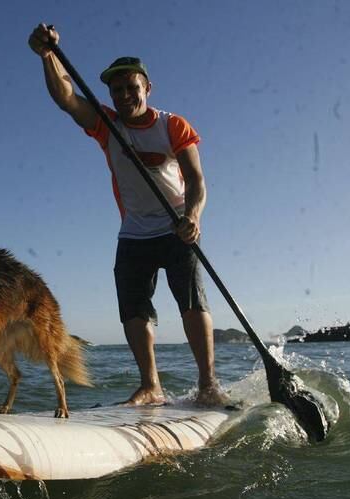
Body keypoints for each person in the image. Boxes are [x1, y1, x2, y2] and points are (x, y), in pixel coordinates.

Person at [28, 24, 228, 407]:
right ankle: (151, 386)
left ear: (147, 88)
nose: (124, 96)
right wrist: (48, 55)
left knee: (191, 301)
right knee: (133, 308)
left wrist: (193, 216)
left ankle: (208, 384)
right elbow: (67, 98)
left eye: (131, 88)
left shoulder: (172, 125)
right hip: (134, 232)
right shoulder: (107, 126)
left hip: (178, 226)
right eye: (116, 90)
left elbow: (196, 180)